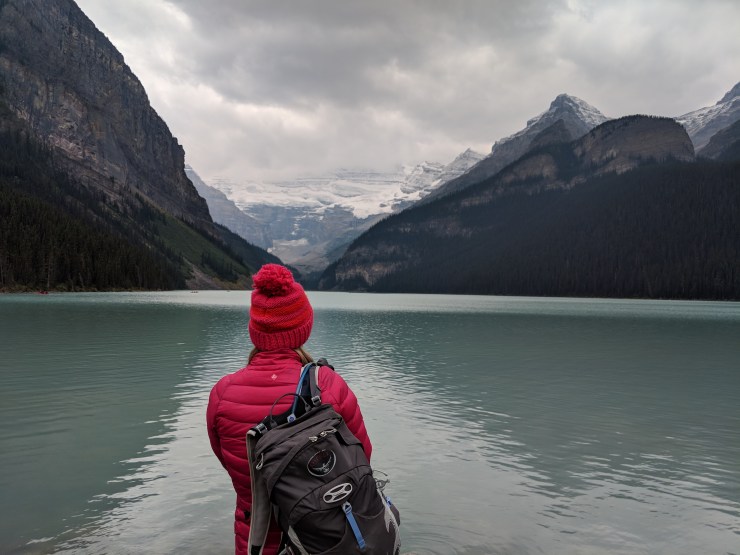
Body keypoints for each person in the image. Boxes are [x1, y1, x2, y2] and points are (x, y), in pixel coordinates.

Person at [207, 264, 372, 555]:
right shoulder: (328, 385)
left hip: (255, 538)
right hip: (322, 538)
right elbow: (362, 458)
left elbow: (232, 462)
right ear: (303, 328)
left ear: (254, 330)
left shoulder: (222, 394)